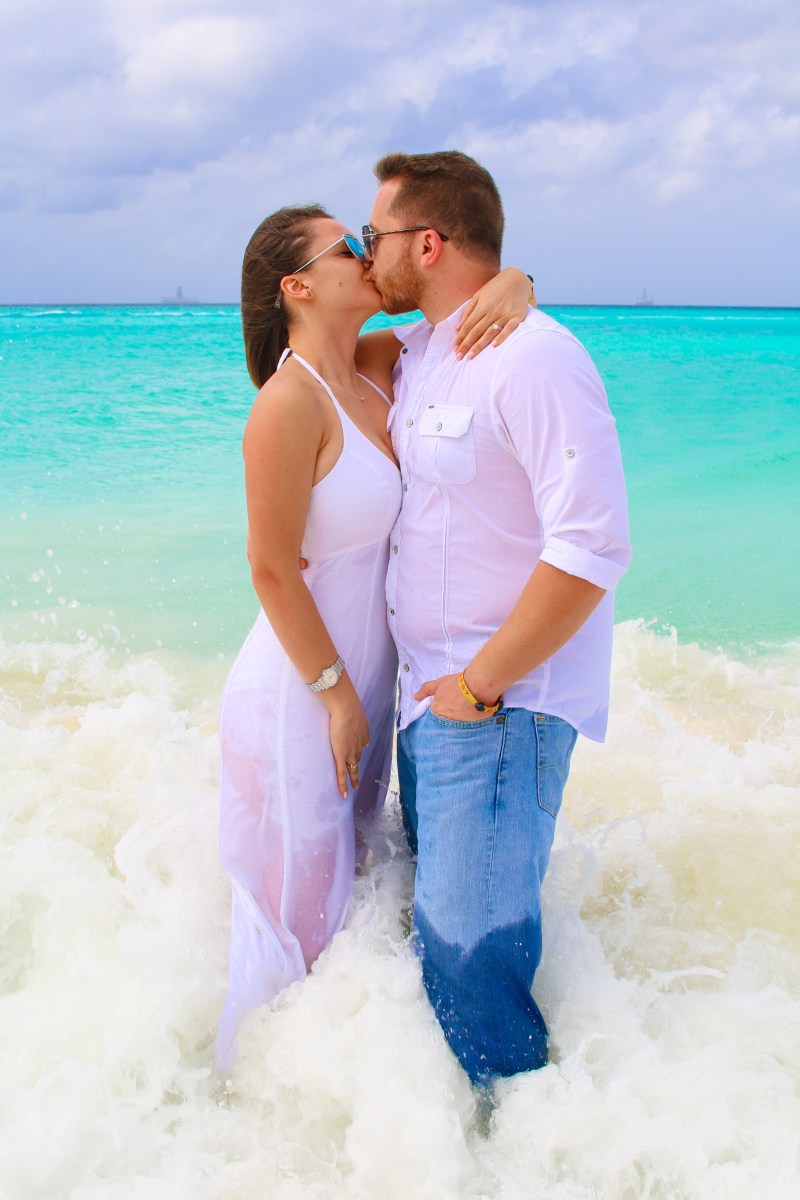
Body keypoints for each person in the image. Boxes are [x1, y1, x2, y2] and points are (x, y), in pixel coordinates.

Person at [216, 204, 533, 1065]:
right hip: (301, 698)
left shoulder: (376, 367)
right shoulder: (288, 403)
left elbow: (464, 317)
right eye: (348, 246)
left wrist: (516, 281)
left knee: (345, 917)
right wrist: (336, 698)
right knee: (294, 934)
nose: (367, 253)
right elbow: (271, 568)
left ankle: (327, 1107)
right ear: (298, 286)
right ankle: (236, 1104)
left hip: (362, 699)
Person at [362, 151, 632, 1087]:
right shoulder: (424, 351)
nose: (364, 253)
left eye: (373, 236)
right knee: (442, 952)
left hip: (497, 708)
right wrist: (514, 275)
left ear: (428, 243)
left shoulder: (536, 356)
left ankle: (531, 1139)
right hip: (429, 705)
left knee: (474, 971)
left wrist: (480, 687)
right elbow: (307, 340)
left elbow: (591, 546)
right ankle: (469, 1143)